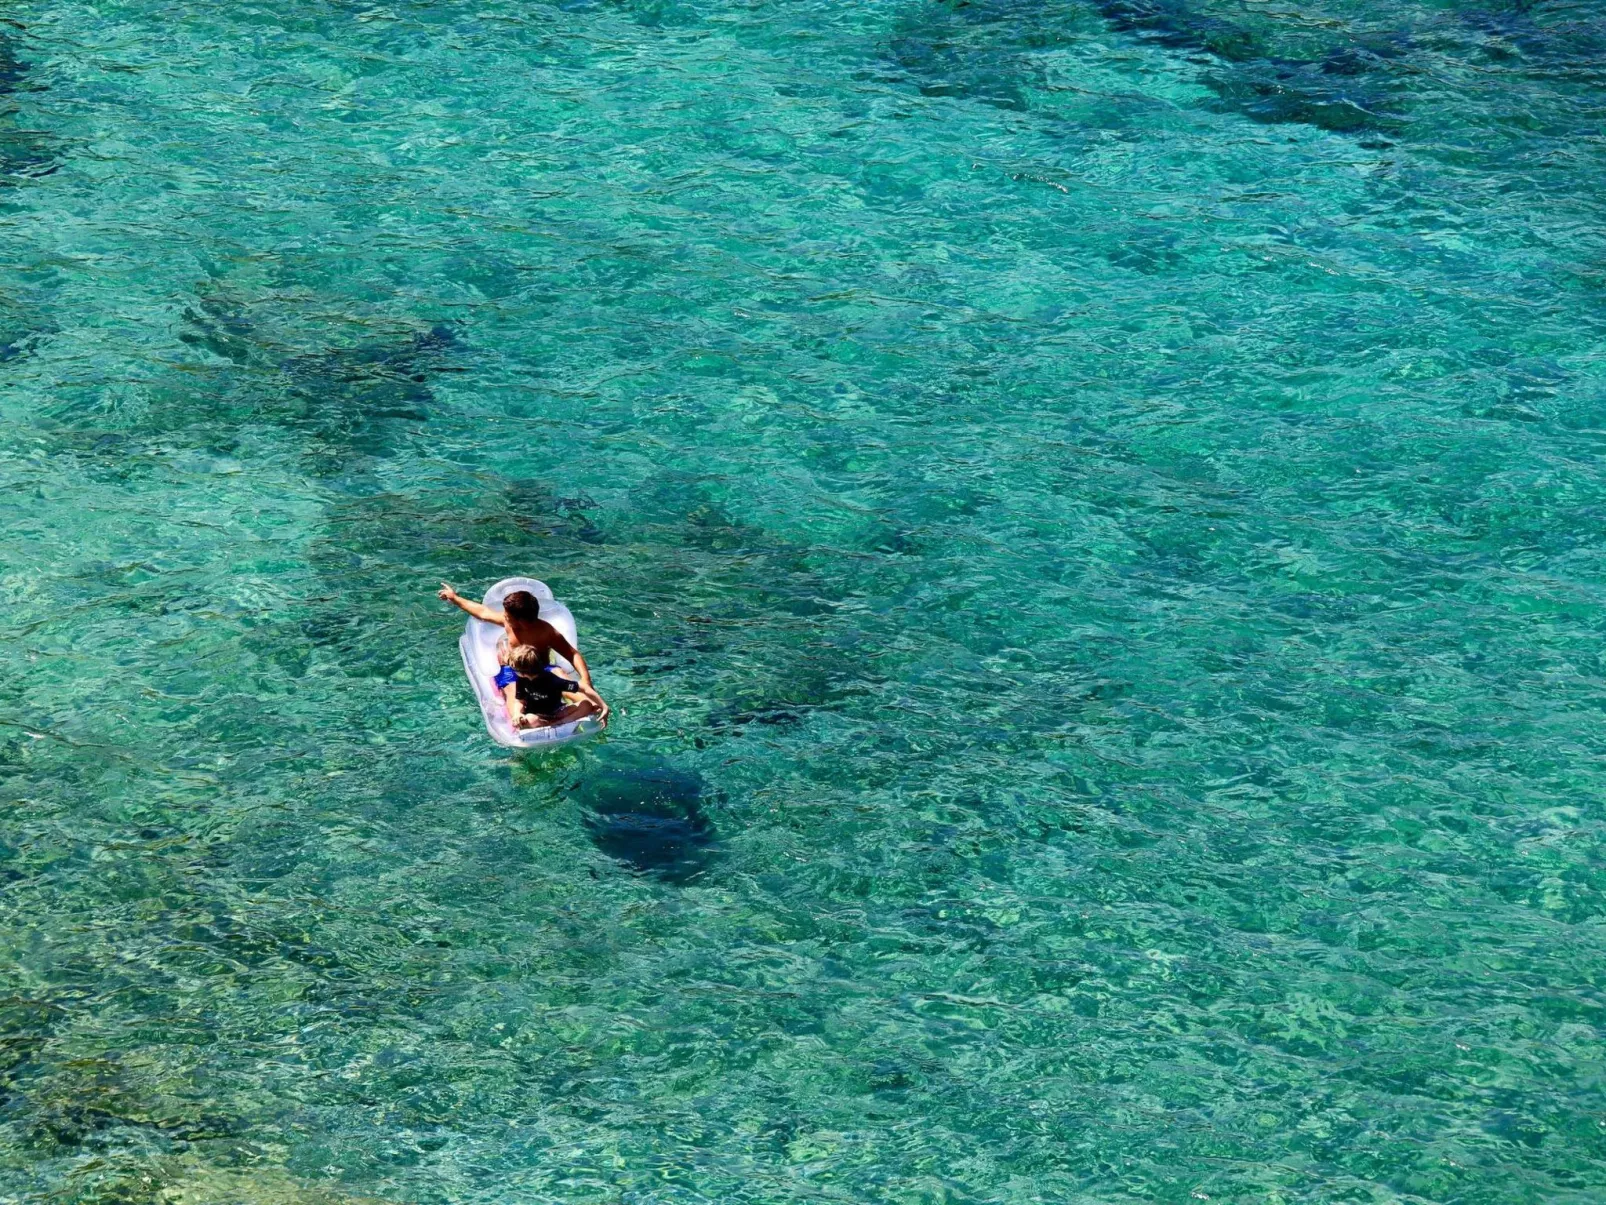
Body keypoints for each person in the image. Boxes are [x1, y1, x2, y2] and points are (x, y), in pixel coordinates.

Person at [438, 582, 609, 727]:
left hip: (541, 669)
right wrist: (455, 598)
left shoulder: (546, 632)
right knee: (513, 689)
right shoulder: (509, 624)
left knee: (559, 674)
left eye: (507, 615)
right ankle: (518, 719)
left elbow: (573, 654)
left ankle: (592, 706)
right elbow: (483, 612)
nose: (504, 616)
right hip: (513, 670)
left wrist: (586, 680)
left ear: (522, 621)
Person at [496, 643, 600, 730]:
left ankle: (558, 724)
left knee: (586, 705)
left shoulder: (553, 680)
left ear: (523, 673)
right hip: (537, 715)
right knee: (530, 719)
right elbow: (520, 701)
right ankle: (557, 723)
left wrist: (601, 705)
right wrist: (517, 713)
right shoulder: (522, 681)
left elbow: (581, 688)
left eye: (514, 669)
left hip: (557, 713)